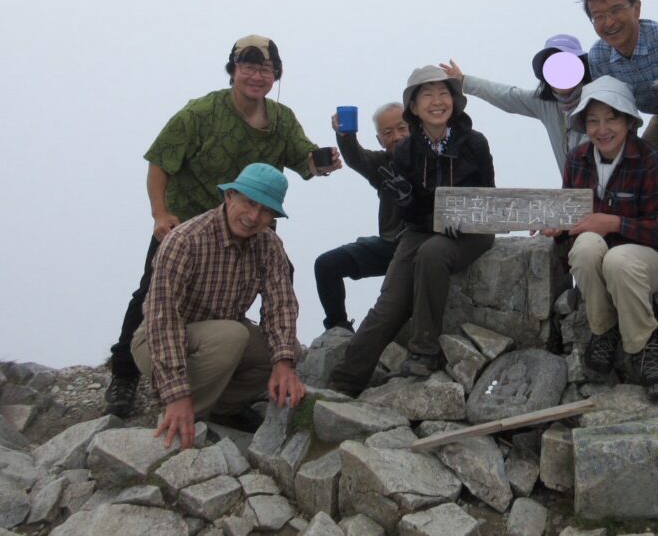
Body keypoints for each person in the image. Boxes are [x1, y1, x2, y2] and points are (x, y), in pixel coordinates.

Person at [105, 35, 340, 419]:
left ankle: (221, 399)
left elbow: (304, 161)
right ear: (233, 69)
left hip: (251, 225)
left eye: (265, 69)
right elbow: (160, 162)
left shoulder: (282, 120)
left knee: (235, 312)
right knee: (151, 296)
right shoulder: (200, 113)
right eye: (248, 66)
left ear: (276, 75)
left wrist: (322, 163)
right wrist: (160, 214)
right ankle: (126, 375)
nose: (256, 76)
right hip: (185, 224)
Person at [328, 66, 496, 396]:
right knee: (388, 306)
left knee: (433, 253)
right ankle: (344, 382)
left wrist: (456, 215)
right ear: (414, 108)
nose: (437, 101)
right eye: (427, 94)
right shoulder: (405, 151)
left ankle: (423, 351)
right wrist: (407, 201)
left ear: (455, 101)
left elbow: (487, 195)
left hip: (469, 232)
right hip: (419, 230)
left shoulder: (474, 143)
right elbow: (411, 212)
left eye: (444, 93)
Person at [130, 163, 306, 450]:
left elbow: (281, 303)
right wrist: (176, 393)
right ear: (229, 197)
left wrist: (284, 363)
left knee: (285, 352)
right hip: (157, 340)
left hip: (220, 338)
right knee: (232, 336)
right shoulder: (185, 240)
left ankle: (221, 410)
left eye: (265, 210)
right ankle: (183, 418)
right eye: (249, 203)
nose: (253, 216)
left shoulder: (269, 245)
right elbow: (163, 319)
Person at [542, 76, 658, 401]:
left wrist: (613, 222)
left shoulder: (649, 160)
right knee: (586, 246)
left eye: (611, 118)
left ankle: (643, 346)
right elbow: (570, 215)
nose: (602, 129)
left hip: (646, 260)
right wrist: (558, 227)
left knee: (618, 260)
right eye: (592, 121)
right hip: (597, 256)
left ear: (629, 121)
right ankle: (603, 330)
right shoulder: (577, 160)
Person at [314, 102, 410, 330]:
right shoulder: (381, 164)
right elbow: (355, 157)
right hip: (390, 245)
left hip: (421, 250)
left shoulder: (431, 159)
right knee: (326, 265)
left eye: (402, 128)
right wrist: (345, 135)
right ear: (380, 140)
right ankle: (338, 330)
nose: (396, 136)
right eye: (388, 132)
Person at [440, 34, 591, 176]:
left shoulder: (597, 98)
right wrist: (464, 81)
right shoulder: (544, 104)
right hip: (573, 195)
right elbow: (507, 95)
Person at [583, 0, 658, 158]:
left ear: (636, 8)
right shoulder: (598, 56)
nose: (608, 22)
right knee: (638, 161)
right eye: (598, 16)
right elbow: (614, 112)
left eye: (616, 10)